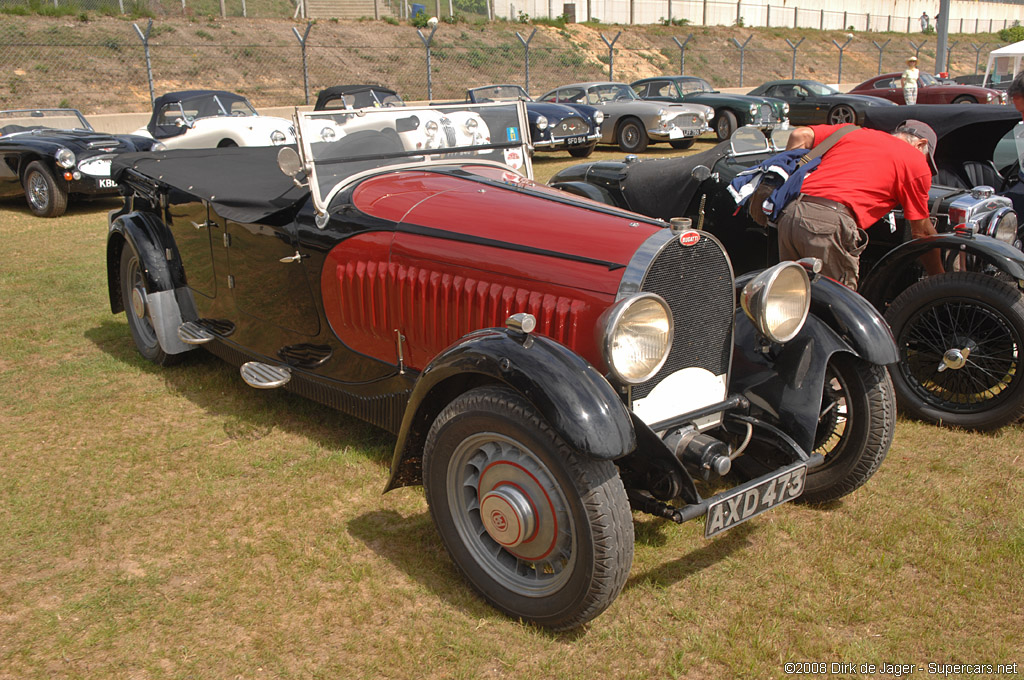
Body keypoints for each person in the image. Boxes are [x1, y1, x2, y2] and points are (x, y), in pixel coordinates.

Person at [777, 120, 942, 290]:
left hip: (791, 212)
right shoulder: (915, 160)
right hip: (829, 223)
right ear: (921, 144)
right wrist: (940, 280)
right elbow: (921, 232)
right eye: (927, 161)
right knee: (838, 303)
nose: (926, 167)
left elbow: (799, 135)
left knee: (794, 297)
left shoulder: (854, 133)